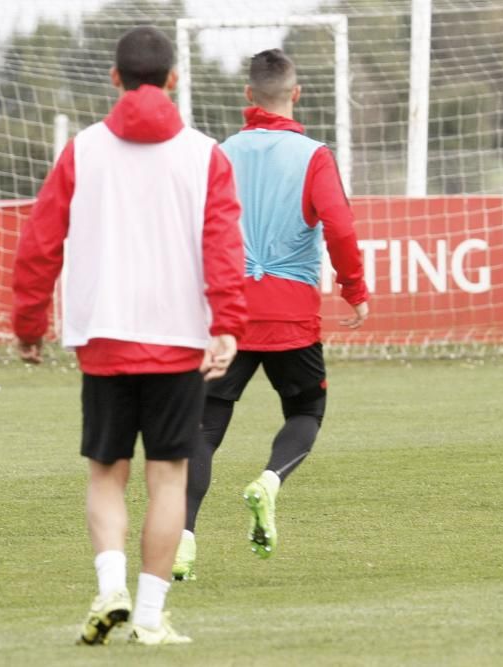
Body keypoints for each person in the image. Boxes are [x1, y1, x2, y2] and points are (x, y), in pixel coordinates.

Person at [12, 26, 246, 645]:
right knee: (168, 477)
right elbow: (223, 245)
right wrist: (227, 323)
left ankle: (110, 585)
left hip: (104, 337)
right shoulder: (204, 154)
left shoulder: (83, 150)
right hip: (178, 340)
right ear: (173, 79)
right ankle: (147, 617)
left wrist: (29, 325)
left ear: (115, 78)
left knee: (106, 472)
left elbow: (40, 243)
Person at [171, 48, 369, 581]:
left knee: (206, 427)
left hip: (229, 313)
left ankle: (184, 537)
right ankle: (269, 481)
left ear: (247, 96)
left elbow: (193, 229)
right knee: (304, 412)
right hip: (291, 314)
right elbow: (341, 228)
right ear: (295, 94)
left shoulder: (218, 153)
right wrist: (355, 288)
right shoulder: (312, 155)